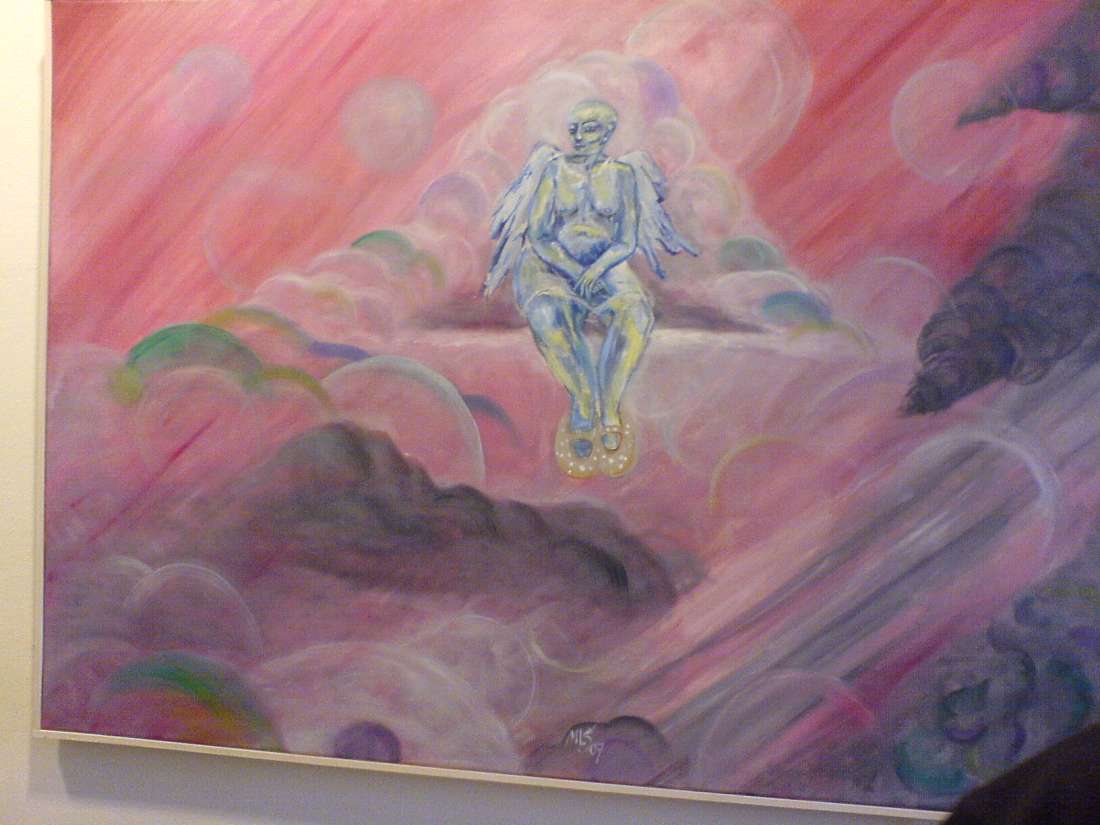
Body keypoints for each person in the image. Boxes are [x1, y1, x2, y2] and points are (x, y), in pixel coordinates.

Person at [485, 99, 695, 478]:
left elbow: (626, 239)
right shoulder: (553, 170)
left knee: (637, 315)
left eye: (590, 128)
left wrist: (597, 269)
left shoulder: (624, 175)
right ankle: (583, 402)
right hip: (550, 264)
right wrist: (569, 268)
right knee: (545, 314)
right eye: (575, 129)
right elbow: (539, 234)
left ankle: (609, 406)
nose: (579, 136)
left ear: (608, 131)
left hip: (605, 265)